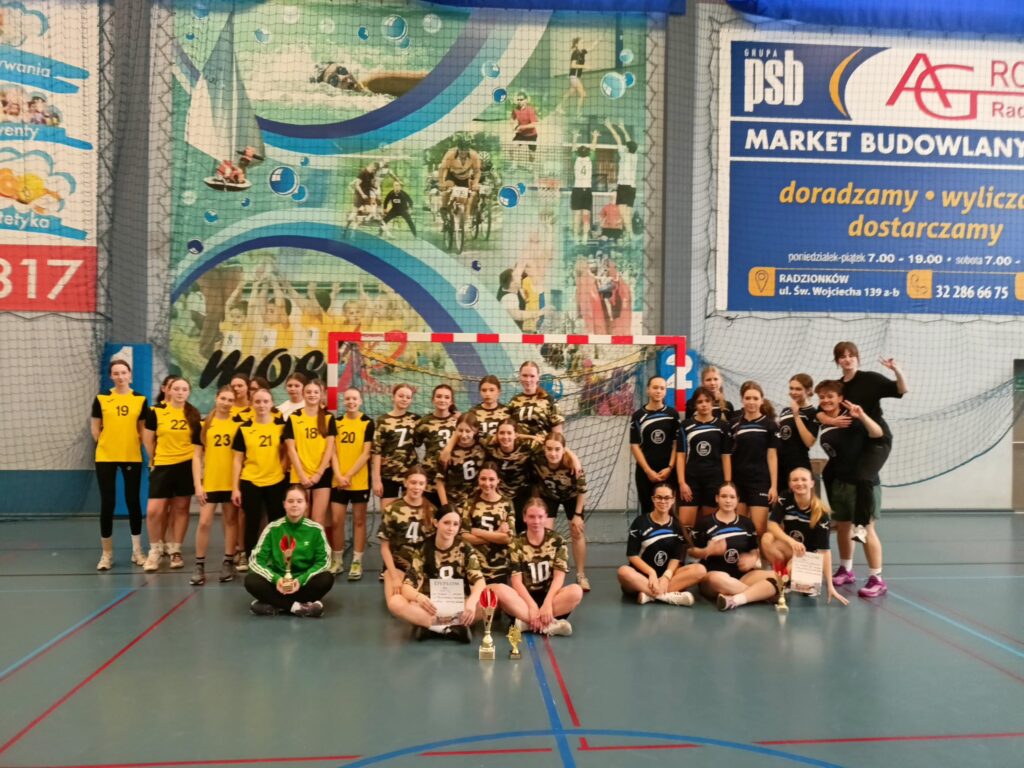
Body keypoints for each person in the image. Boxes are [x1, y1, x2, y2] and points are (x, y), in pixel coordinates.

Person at [821, 342, 908, 547]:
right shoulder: (837, 387)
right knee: (828, 472)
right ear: (837, 361)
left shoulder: (870, 379)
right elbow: (820, 410)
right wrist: (830, 420)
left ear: (857, 358)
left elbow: (902, 389)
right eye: (842, 356)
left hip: (876, 438)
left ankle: (860, 526)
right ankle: (836, 515)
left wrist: (897, 370)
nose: (847, 359)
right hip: (856, 439)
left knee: (863, 477)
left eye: (851, 355)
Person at [815, 379, 889, 598]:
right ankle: (846, 569)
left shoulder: (853, 417)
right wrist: (825, 418)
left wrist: (862, 416)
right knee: (843, 527)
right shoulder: (824, 420)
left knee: (865, 529)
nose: (826, 400)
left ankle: (877, 578)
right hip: (840, 484)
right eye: (822, 397)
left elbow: (878, 434)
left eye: (830, 396)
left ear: (840, 398)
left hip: (862, 485)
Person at [388, 506, 486, 642]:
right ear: (436, 523)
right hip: (431, 607)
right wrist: (419, 597)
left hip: (459, 605)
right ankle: (449, 628)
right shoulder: (424, 548)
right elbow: (407, 587)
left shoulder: (465, 548)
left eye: (455, 524)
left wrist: (471, 602)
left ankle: (431, 627)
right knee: (395, 602)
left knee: (489, 600)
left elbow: (479, 582)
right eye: (446, 523)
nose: (451, 528)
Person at [492, 498, 582, 636]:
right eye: (531, 516)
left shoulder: (558, 541)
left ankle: (526, 624)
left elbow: (559, 577)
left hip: (551, 600)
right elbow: (516, 582)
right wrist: (532, 606)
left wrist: (547, 604)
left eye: (540, 516)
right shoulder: (516, 543)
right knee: (499, 589)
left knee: (576, 591)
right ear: (524, 517)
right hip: (524, 600)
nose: (536, 521)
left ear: (546, 517)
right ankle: (549, 625)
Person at [91, 358, 149, 570]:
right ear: (111, 376)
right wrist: (106, 444)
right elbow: (95, 428)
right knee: (108, 503)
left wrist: (140, 448)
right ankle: (106, 554)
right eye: (116, 373)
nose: (120, 376)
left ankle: (137, 551)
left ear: (130, 374)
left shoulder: (140, 400)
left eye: (123, 372)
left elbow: (143, 430)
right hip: (106, 457)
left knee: (133, 501)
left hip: (131, 455)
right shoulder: (102, 398)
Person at [761, 467, 848, 605]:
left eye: (804, 479)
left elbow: (824, 551)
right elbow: (772, 524)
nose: (799, 483)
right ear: (790, 484)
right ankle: (784, 580)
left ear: (812, 483)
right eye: (795, 480)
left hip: (809, 557)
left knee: (804, 587)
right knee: (767, 538)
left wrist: (830, 585)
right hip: (793, 548)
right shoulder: (785, 497)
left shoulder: (821, 514)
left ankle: (789, 579)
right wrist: (791, 541)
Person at [245, 486, 334, 617]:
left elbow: (324, 562)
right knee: (251, 580)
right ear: (284, 504)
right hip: (278, 585)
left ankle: (276, 604)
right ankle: (299, 607)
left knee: (327, 578)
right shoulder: (272, 528)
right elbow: (255, 561)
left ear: (306, 504)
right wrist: (277, 579)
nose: (294, 505)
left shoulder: (316, 530)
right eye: (290, 501)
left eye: (299, 501)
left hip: (303, 584)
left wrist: (300, 580)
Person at [142, 376, 201, 572]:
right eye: (176, 388)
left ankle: (176, 550)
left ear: (188, 392)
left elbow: (197, 446)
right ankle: (155, 550)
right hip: (162, 466)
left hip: (185, 466)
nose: (180, 392)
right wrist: (154, 459)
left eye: (184, 389)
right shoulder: (156, 411)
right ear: (169, 390)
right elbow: (148, 440)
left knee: (181, 508)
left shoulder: (193, 414)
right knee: (154, 511)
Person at [690, 482, 778, 611]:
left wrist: (753, 558)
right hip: (714, 578)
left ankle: (737, 598)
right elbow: (691, 552)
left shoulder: (747, 523)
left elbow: (754, 550)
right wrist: (706, 551)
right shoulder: (704, 523)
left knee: (777, 577)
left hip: (742, 577)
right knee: (717, 579)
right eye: (724, 496)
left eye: (732, 497)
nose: (728, 500)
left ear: (737, 500)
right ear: (717, 498)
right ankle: (760, 594)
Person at [617, 483, 706, 605]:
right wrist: (651, 573)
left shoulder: (677, 526)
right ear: (653, 499)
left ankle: (650, 595)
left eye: (667, 498)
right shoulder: (640, 522)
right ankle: (666, 596)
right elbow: (632, 555)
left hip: (666, 577)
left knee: (700, 570)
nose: (663, 501)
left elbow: (676, 558)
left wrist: (666, 577)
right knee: (623, 571)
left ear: (673, 500)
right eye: (659, 497)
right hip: (642, 577)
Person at [190, 385, 242, 585]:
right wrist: (198, 484)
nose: (226, 403)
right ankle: (199, 565)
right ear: (216, 398)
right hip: (210, 482)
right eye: (223, 398)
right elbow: (196, 457)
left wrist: (237, 486)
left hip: (230, 482)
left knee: (230, 520)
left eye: (230, 400)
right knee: (204, 522)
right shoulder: (204, 424)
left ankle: (228, 561)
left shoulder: (238, 424)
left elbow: (239, 457)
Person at [231, 388, 288, 558]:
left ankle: (278, 557)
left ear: (272, 403)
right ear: (251, 404)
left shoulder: (281, 426)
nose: (261, 405)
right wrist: (235, 488)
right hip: (251, 481)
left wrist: (283, 466)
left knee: (277, 523)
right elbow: (237, 460)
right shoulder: (244, 428)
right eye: (257, 401)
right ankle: (251, 558)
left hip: (276, 480)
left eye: (265, 401)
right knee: (252, 523)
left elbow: (289, 450)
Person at [533, 432, 590, 591]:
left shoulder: (571, 464)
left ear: (564, 450)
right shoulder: (538, 459)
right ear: (544, 449)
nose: (553, 453)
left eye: (557, 449)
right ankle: (547, 575)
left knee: (577, 532)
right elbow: (518, 435)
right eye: (549, 449)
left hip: (571, 497)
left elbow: (582, 491)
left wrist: (577, 515)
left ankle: (581, 574)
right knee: (545, 534)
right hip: (549, 495)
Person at [330, 387, 374, 580]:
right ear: (343, 401)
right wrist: (339, 475)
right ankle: (337, 560)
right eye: (347, 398)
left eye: (354, 398)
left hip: (359, 480)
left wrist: (348, 475)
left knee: (359, 520)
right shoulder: (336, 422)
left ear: (360, 401)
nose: (351, 402)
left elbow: (366, 453)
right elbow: (332, 451)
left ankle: (357, 561)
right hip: (338, 480)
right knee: (336, 520)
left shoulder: (367, 422)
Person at [283, 378, 337, 528]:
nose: (312, 395)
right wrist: (301, 475)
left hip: (322, 473)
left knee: (318, 520)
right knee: (300, 517)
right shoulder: (294, 417)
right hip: (299, 474)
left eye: (315, 392)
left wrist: (318, 474)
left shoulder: (328, 418)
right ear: (303, 394)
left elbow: (329, 449)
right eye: (308, 392)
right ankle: (299, 545)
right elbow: (291, 449)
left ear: (321, 394)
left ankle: (316, 545)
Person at [678, 386, 733, 528]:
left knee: (710, 525)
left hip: (714, 481)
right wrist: (682, 483)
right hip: (691, 481)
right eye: (700, 401)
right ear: (695, 405)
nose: (704, 404)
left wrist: (727, 483)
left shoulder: (722, 426)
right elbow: (681, 456)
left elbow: (726, 456)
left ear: (712, 403)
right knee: (685, 524)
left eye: (707, 401)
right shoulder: (686, 425)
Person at [729, 380, 780, 536]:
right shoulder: (734, 424)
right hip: (738, 482)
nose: (751, 402)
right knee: (740, 530)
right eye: (748, 398)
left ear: (762, 400)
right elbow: (728, 456)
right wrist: (728, 482)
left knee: (759, 530)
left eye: (755, 398)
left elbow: (772, 456)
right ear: (742, 400)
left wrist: (773, 486)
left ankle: (762, 554)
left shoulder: (770, 425)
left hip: (760, 482)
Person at [378, 466, 437, 597]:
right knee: (397, 600)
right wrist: (394, 577)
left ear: (426, 486)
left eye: (421, 483)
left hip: (421, 567)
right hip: (397, 566)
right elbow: (384, 547)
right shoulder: (392, 509)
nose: (417, 487)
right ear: (405, 483)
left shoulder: (432, 510)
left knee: (419, 599)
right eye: (413, 482)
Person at [629, 376, 681, 514]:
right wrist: (648, 471)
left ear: (665, 391)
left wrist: (670, 468)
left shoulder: (672, 414)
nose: (658, 391)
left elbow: (676, 444)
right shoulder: (638, 416)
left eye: (662, 388)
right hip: (645, 472)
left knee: (668, 510)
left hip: (667, 471)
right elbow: (634, 445)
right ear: (648, 390)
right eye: (655, 387)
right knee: (648, 510)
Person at [483, 419, 543, 530]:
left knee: (521, 524)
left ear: (516, 435)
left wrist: (574, 460)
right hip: (499, 494)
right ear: (496, 435)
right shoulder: (490, 446)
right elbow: (472, 433)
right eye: (501, 433)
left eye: (509, 433)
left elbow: (553, 442)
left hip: (520, 492)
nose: (505, 437)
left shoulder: (526, 447)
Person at [460, 463, 514, 584]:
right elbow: (464, 537)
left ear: (498, 480)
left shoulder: (506, 503)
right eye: (483, 479)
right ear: (478, 479)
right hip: (474, 567)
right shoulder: (470, 503)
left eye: (491, 479)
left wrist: (478, 532)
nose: (487, 483)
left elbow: (508, 538)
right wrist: (496, 534)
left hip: (500, 568)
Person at [372, 383, 420, 511]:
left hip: (409, 473)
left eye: (408, 397)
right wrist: (376, 479)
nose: (404, 399)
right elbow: (376, 451)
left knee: (409, 513)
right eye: (401, 396)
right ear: (393, 397)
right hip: (388, 474)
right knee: (388, 514)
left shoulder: (416, 419)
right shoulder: (383, 420)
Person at [413, 384, 458, 509]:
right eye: (439, 396)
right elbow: (413, 444)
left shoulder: (458, 421)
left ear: (451, 401)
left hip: (452, 478)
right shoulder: (424, 422)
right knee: (430, 516)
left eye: (446, 397)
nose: (442, 400)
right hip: (430, 477)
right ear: (433, 399)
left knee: (451, 516)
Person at [436, 412, 487, 513]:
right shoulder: (447, 452)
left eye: (468, 431)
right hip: (454, 502)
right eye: (460, 430)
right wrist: (445, 506)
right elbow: (440, 481)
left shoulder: (482, 447)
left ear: (475, 431)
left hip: (476, 502)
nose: (464, 435)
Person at [775, 373, 819, 489]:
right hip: (781, 464)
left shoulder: (813, 413)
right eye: (791, 388)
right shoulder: (785, 411)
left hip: (798, 464)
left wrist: (796, 415)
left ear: (808, 390)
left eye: (798, 389)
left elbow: (809, 441)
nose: (793, 392)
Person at [508, 360, 564, 437]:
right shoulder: (513, 401)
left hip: (542, 444)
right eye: (524, 375)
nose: (528, 380)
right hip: (519, 444)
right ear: (520, 376)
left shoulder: (549, 400)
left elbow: (557, 434)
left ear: (538, 377)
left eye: (532, 376)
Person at [604, 120, 638, 240]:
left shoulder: (624, 154)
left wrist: (609, 126)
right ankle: (629, 234)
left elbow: (618, 138)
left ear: (627, 148)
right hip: (632, 187)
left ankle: (630, 233)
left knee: (623, 212)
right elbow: (628, 141)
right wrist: (623, 128)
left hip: (624, 186)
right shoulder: (635, 155)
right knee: (627, 213)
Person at [438, 136, 481, 220]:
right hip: (452, 176)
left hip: (465, 178)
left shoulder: (474, 155)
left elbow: (477, 171)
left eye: (465, 149)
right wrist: (441, 183)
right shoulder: (450, 153)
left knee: (465, 199)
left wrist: (475, 183)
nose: (463, 152)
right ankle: (443, 208)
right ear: (458, 148)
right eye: (461, 149)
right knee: (447, 190)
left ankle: (464, 216)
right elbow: (442, 169)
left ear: (468, 149)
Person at [570, 130, 599, 243]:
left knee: (577, 215)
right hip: (587, 190)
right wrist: (595, 136)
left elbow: (573, 149)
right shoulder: (590, 159)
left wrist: (574, 137)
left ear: (578, 153)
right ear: (588, 153)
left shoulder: (575, 159)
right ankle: (585, 237)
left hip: (577, 190)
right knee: (586, 215)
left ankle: (576, 237)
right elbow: (593, 148)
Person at [565, 37, 595, 116]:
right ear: (576, 44)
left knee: (570, 92)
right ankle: (578, 113)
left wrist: (597, 41)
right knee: (583, 95)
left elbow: (591, 48)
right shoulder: (575, 53)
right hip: (574, 77)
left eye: (583, 42)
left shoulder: (582, 52)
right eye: (581, 43)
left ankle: (559, 107)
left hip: (576, 77)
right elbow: (573, 65)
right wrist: (584, 66)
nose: (583, 44)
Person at [511, 91, 539, 167]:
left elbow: (534, 124)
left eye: (521, 99)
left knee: (532, 153)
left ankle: (531, 166)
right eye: (518, 100)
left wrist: (521, 127)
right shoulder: (515, 109)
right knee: (514, 146)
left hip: (531, 135)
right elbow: (512, 118)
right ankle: (514, 166)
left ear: (526, 100)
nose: (519, 101)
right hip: (521, 134)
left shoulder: (530, 110)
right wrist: (513, 127)